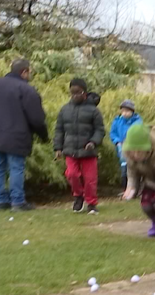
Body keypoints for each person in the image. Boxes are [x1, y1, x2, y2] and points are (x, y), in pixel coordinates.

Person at [0, 59, 47, 212]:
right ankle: (17, 201)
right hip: (16, 136)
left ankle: (0, 201)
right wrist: (44, 136)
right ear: (24, 72)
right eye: (29, 72)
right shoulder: (26, 89)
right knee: (16, 168)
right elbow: (37, 118)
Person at [54, 78, 105, 214]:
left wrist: (93, 142)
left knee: (90, 179)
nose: (75, 95)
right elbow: (59, 130)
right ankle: (78, 196)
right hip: (70, 149)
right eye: (72, 93)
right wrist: (58, 148)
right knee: (72, 174)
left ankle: (91, 203)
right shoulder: (64, 110)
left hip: (88, 150)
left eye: (78, 92)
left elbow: (100, 130)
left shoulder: (94, 111)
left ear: (85, 93)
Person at [110, 99, 143, 192]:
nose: (125, 113)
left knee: (135, 169)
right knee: (124, 168)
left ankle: (137, 189)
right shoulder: (117, 121)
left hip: (134, 149)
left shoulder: (137, 121)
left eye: (127, 111)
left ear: (132, 111)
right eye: (123, 111)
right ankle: (125, 189)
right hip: (121, 148)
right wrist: (117, 141)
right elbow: (113, 133)